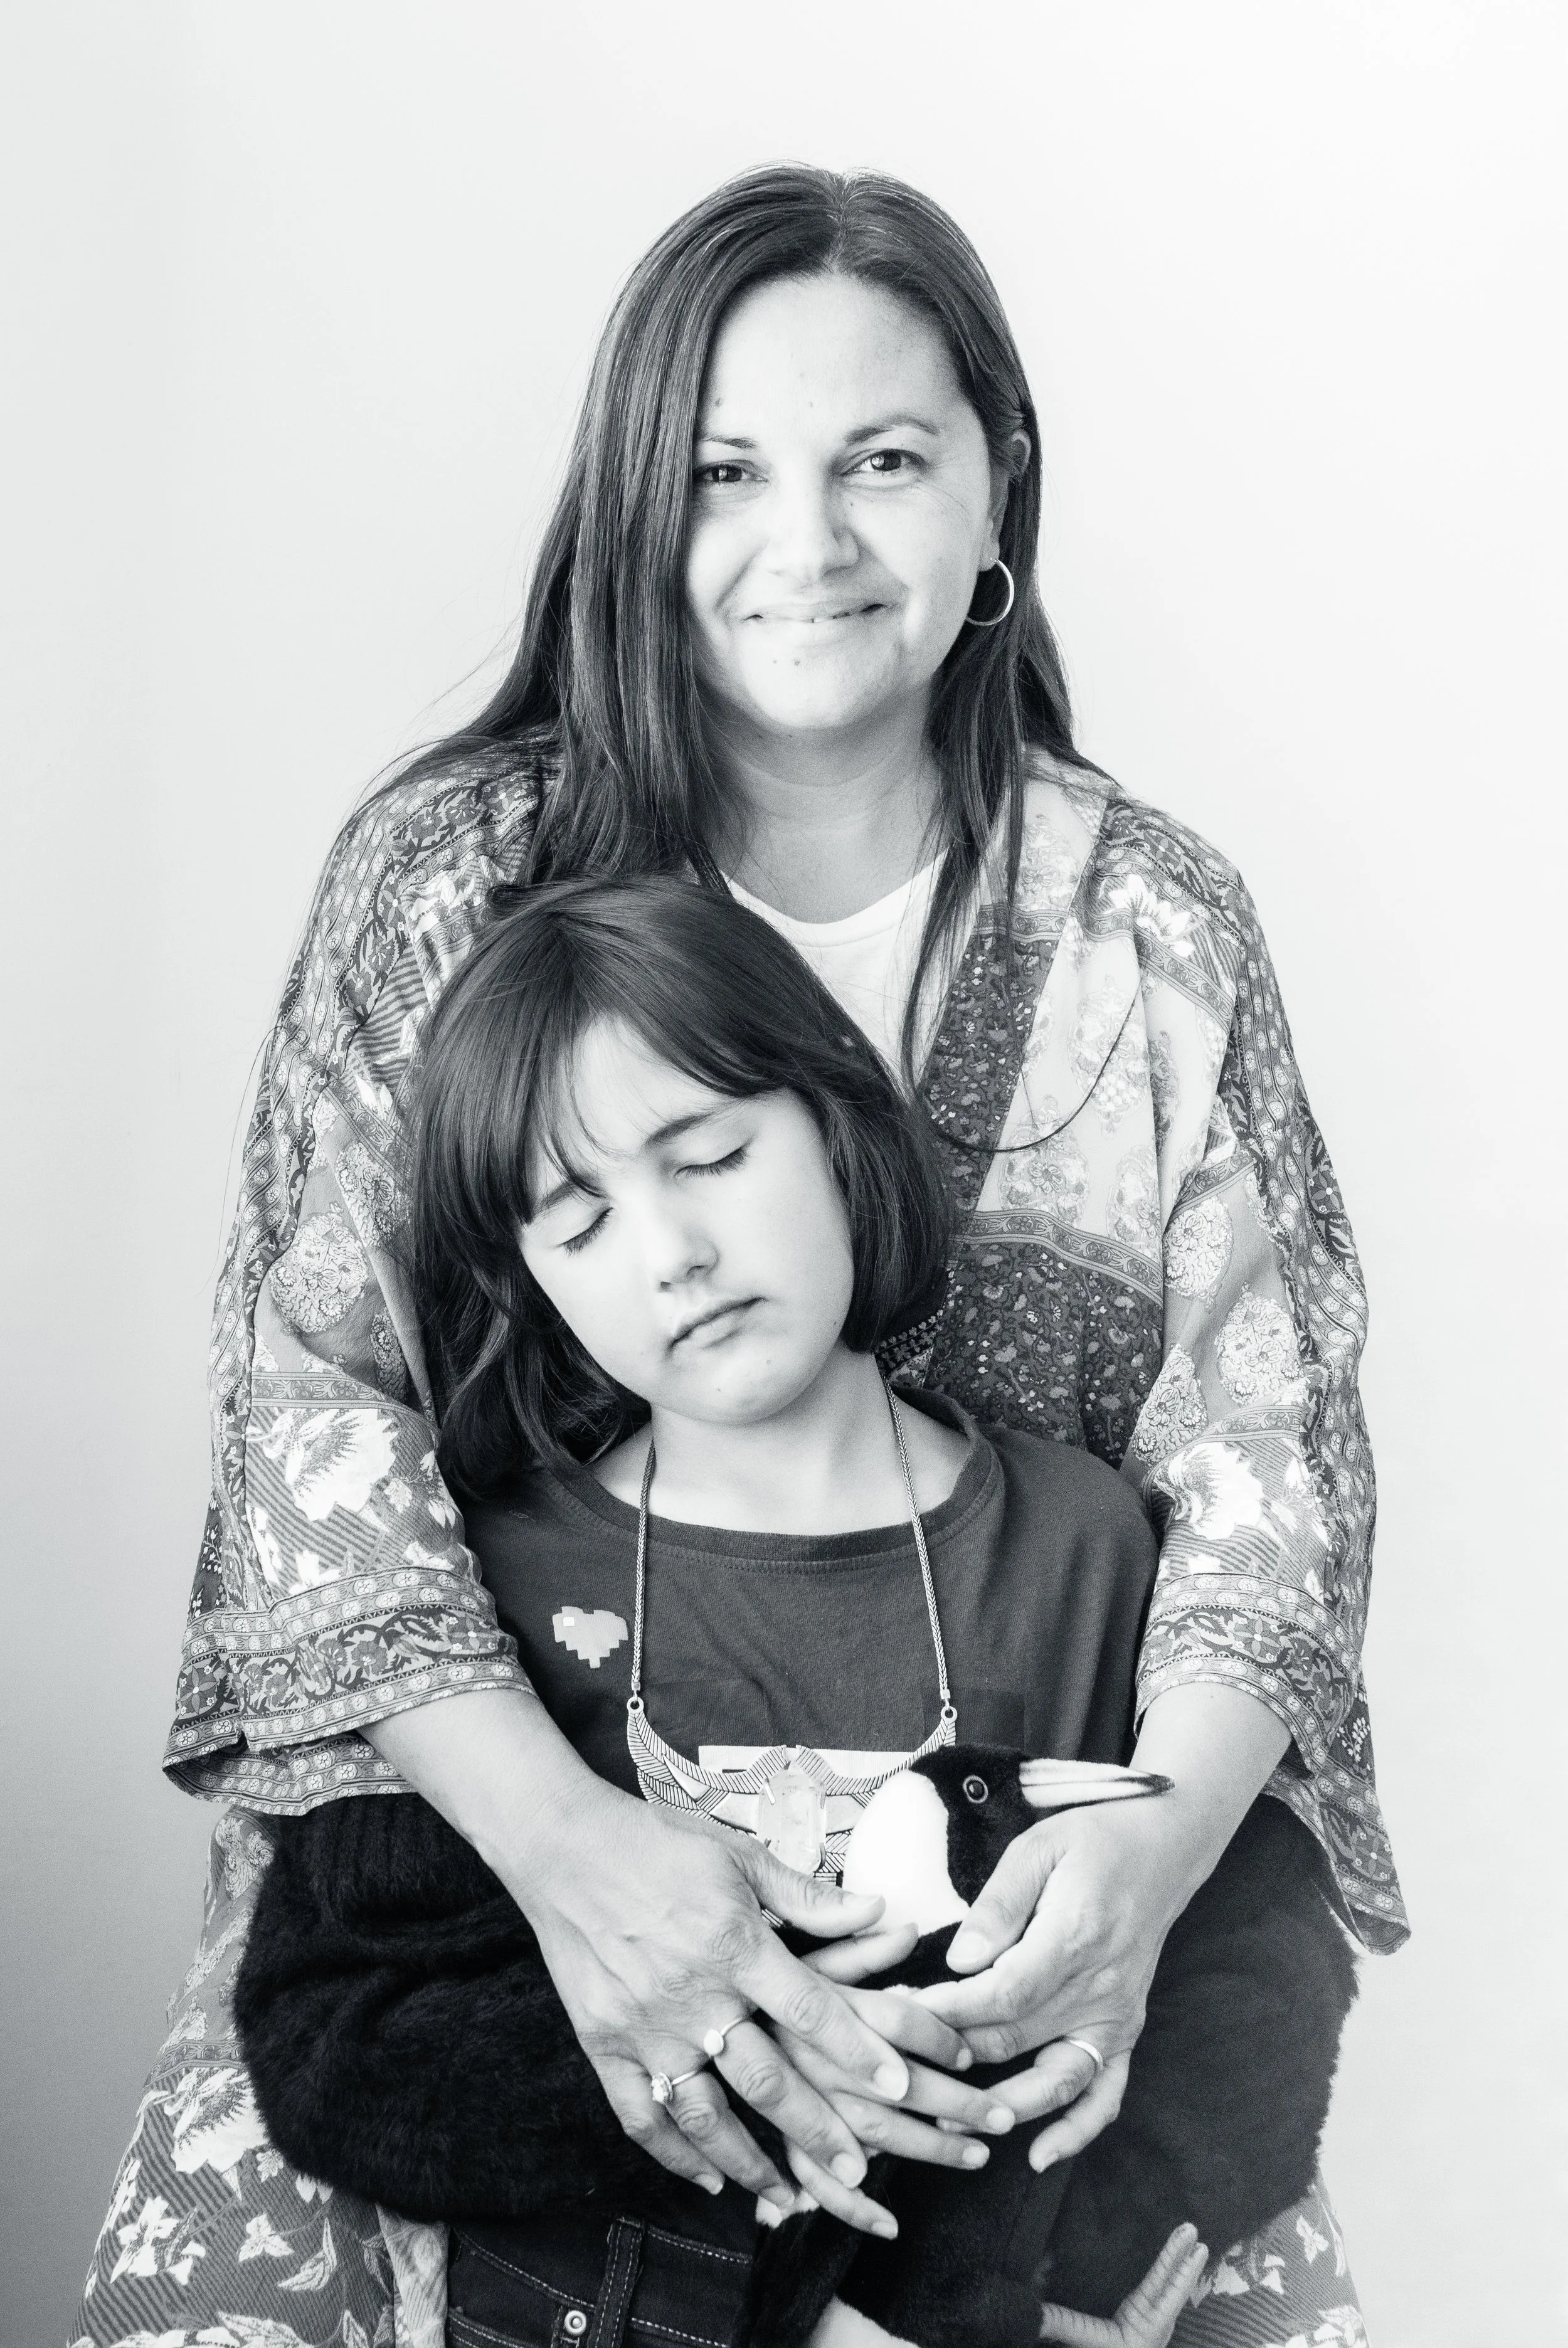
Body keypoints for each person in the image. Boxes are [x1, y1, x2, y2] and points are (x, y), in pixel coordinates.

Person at [72, 166, 1396, 2348]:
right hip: (509, 1880)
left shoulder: (1154, 924)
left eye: (887, 459)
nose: (811, 542)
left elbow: (1276, 1454)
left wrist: (1138, 1889)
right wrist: (593, 1879)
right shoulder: (451, 883)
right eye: (723, 472)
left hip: (1019, 1915)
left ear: (999, 499)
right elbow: (312, 1428)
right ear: (631, 511)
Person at [239, 874, 1236, 2348]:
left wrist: (1041, 2294)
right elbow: (333, 2049)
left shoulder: (1080, 1545)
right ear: (531, 1286)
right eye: (577, 1227)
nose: (667, 1257)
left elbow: (1206, 1969)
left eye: (706, 1157)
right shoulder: (482, 1588)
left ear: (835, 1126)